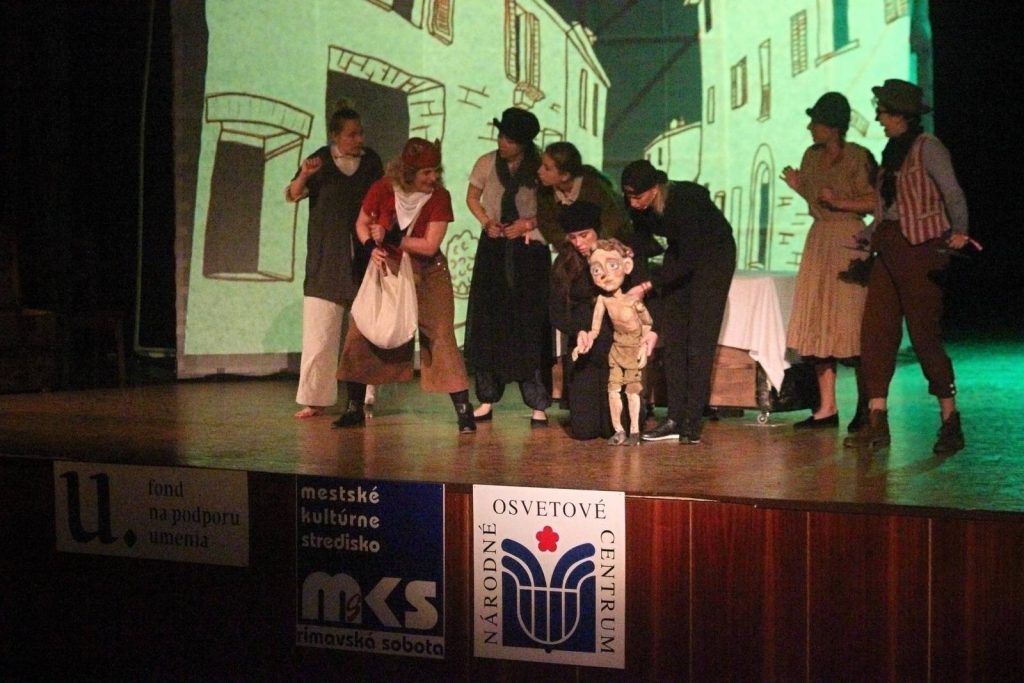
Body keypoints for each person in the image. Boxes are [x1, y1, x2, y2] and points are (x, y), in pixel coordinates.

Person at [844, 79, 970, 455]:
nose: (879, 118)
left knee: (923, 334)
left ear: (900, 115)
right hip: (889, 247)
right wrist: (868, 234)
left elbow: (952, 192)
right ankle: (877, 419)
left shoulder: (928, 147)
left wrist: (960, 231)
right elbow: (888, 209)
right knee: (876, 332)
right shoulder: (891, 150)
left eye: (883, 112)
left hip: (922, 249)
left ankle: (950, 419)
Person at [333, 137, 476, 434]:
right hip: (389, 268)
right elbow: (361, 223)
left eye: (436, 171)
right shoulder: (383, 189)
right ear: (409, 172)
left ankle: (464, 412)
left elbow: (429, 245)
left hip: (428, 273)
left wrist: (391, 237)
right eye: (426, 172)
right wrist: (371, 247)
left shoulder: (439, 197)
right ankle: (354, 407)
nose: (433, 177)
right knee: (362, 330)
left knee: (441, 335)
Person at [621, 160, 736, 445]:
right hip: (680, 253)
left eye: (638, 196)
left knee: (699, 342)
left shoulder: (686, 200)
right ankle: (674, 417)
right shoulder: (638, 207)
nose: (633, 203)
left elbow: (691, 256)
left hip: (713, 258)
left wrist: (649, 285)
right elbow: (642, 243)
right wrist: (636, 271)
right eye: (629, 196)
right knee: (674, 340)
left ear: (655, 188)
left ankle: (691, 421)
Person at [781, 92, 877, 432]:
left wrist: (840, 202)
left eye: (816, 122)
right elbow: (817, 200)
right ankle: (827, 407)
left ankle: (866, 406)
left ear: (833, 127)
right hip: (820, 240)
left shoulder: (857, 157)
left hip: (849, 239)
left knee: (851, 324)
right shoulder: (811, 156)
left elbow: (874, 202)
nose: (810, 127)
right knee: (820, 324)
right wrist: (800, 188)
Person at [286, 106, 382, 419]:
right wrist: (305, 174)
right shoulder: (320, 161)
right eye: (351, 134)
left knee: (366, 332)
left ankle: (366, 393)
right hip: (325, 260)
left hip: (362, 258)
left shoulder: (371, 162)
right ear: (335, 136)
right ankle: (315, 398)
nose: (358, 139)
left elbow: (383, 201)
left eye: (360, 133)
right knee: (320, 335)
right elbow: (292, 194)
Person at [463, 108, 552, 426]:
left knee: (529, 323)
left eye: (510, 139)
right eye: (501, 136)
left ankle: (538, 402)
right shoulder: (487, 162)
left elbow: (553, 210)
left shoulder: (539, 168)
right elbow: (472, 197)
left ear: (523, 144)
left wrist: (528, 224)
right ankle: (487, 398)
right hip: (495, 248)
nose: (502, 143)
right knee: (490, 321)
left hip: (530, 251)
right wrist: (487, 222)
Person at [549, 201, 627, 440]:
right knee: (585, 431)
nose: (579, 243)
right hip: (584, 348)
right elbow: (556, 310)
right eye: (573, 237)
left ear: (597, 231)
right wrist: (577, 330)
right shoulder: (565, 263)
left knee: (615, 427)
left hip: (615, 345)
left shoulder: (616, 255)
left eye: (584, 235)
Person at [572, 238, 655, 446]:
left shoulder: (633, 301)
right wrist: (584, 341)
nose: (605, 275)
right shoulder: (603, 300)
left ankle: (634, 430)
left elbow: (647, 323)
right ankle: (619, 430)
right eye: (596, 270)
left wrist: (644, 346)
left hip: (632, 349)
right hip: (616, 350)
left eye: (612, 266)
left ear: (627, 266)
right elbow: (594, 329)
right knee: (613, 391)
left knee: (632, 392)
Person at [535, 141, 630, 245]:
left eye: (547, 168)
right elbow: (547, 226)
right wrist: (570, 239)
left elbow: (613, 224)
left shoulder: (596, 189)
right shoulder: (545, 192)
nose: (539, 171)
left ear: (565, 176)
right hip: (570, 249)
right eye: (541, 165)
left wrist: (596, 245)